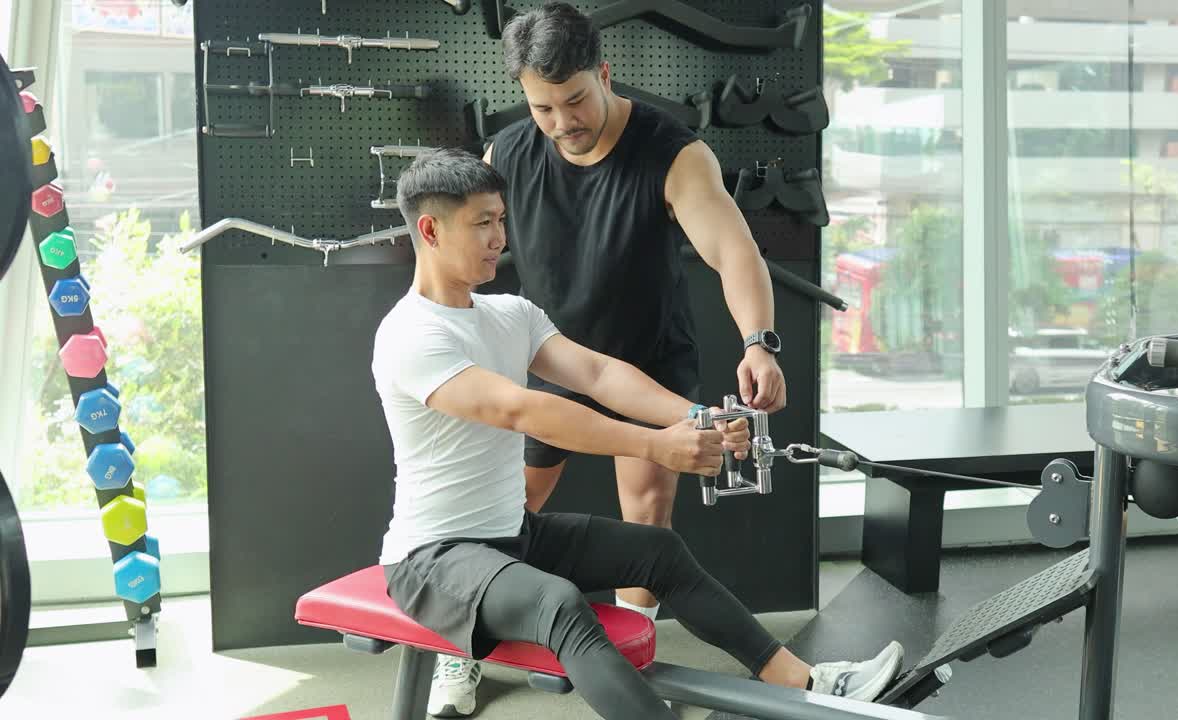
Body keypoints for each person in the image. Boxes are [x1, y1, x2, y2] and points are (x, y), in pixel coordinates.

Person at [374, 147, 904, 719]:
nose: (500, 237)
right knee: (560, 605)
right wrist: (654, 444)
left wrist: (697, 418)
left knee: (658, 553)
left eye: (501, 219)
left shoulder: (511, 315)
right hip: (433, 558)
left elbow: (600, 374)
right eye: (482, 223)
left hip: (511, 535)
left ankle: (806, 682)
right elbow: (522, 411)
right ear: (430, 229)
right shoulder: (411, 335)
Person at [483, 0, 787, 627]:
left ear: (605, 73)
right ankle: (473, 640)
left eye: (575, 100)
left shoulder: (674, 154)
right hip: (552, 360)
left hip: (647, 360)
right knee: (504, 509)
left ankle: (633, 652)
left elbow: (734, 252)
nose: (563, 122)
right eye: (544, 108)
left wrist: (759, 342)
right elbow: (464, 260)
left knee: (646, 519)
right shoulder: (507, 155)